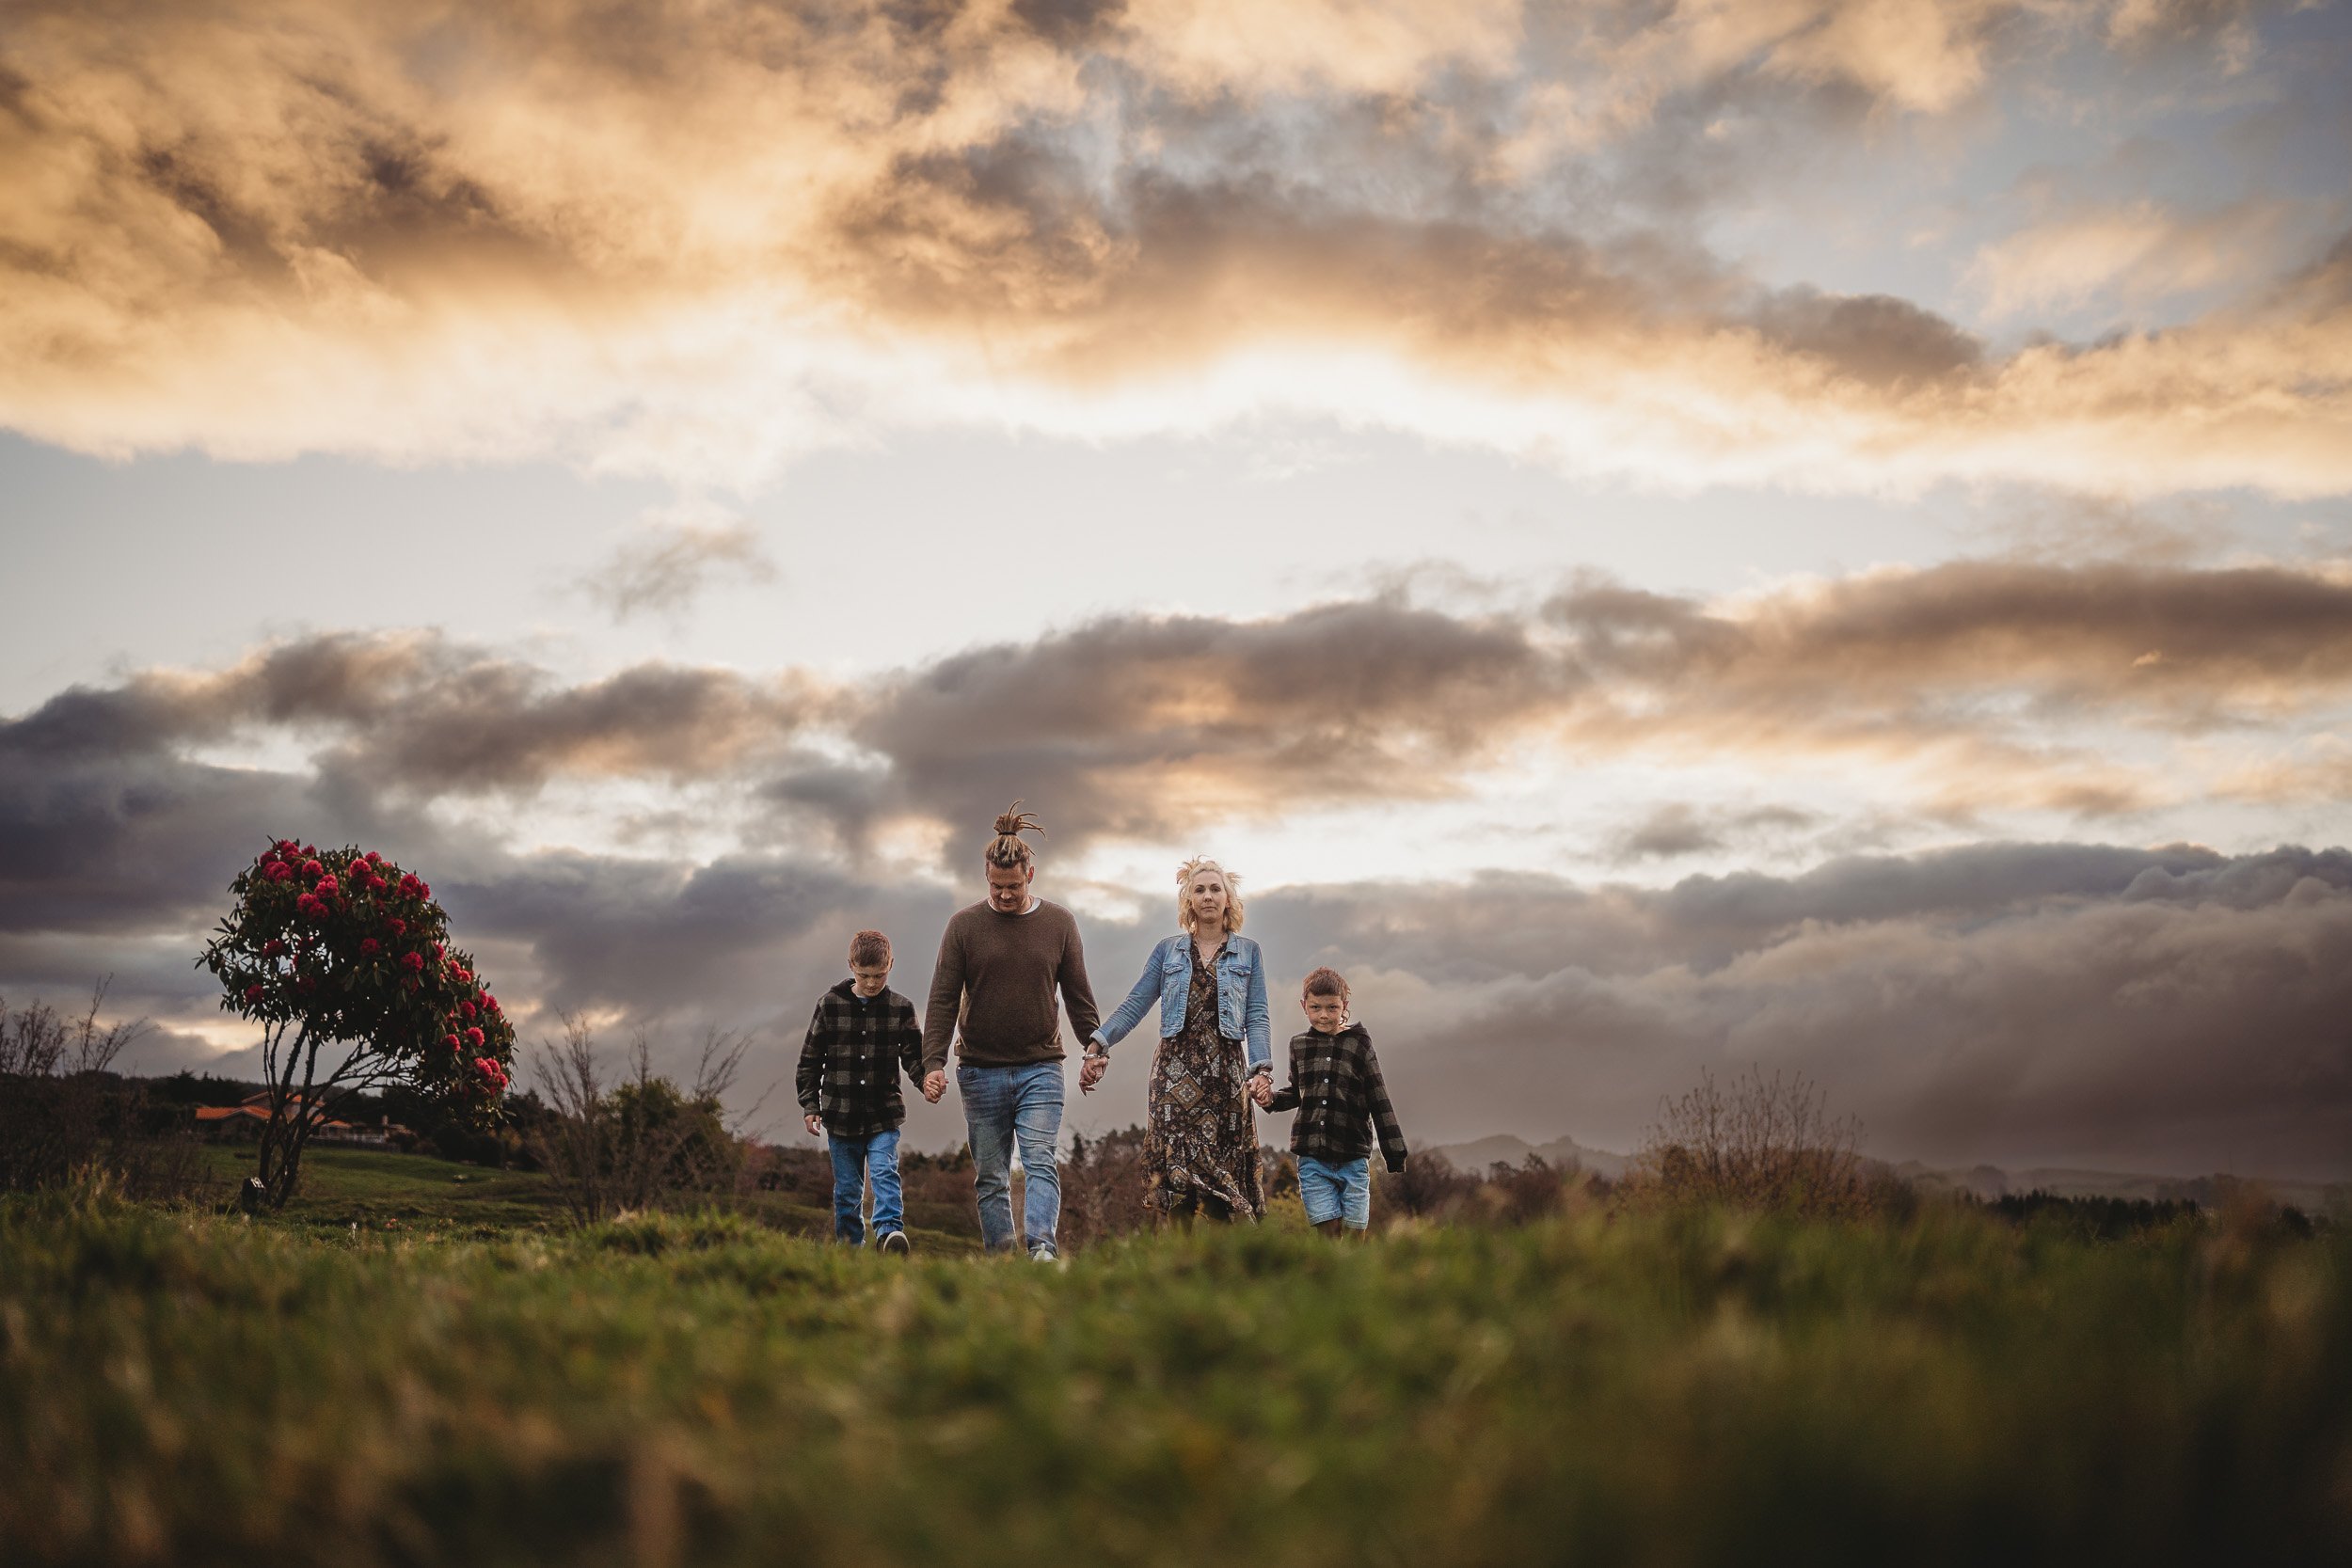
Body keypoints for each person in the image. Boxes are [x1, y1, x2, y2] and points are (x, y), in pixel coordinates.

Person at [921, 802, 1102, 1260]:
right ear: (986, 876)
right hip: (980, 1070)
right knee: (991, 1174)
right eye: (997, 887)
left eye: (1013, 886)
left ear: (1031, 875)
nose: (1004, 896)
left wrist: (1094, 1046)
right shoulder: (963, 927)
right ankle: (1002, 1259)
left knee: (1040, 1160)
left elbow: (1078, 993)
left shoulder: (1059, 923)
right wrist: (933, 1063)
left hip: (1041, 1065)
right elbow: (942, 998)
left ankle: (1041, 1249)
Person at [1084, 857, 1272, 1226]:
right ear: (1188, 901)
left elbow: (1257, 1015)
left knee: (1223, 1180)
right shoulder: (1167, 951)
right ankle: (1178, 1263)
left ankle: (1218, 1266)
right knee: (1178, 1182)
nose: (1207, 896)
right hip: (1174, 1075)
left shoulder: (1249, 953)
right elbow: (1136, 1003)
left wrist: (1261, 1069)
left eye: (1215, 889)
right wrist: (1099, 1042)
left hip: (1226, 1077)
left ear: (1228, 900)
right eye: (1199, 890)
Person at [1253, 966, 1406, 1239]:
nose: (1324, 1015)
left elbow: (1378, 1097)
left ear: (1344, 1005)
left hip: (1353, 1159)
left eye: (1332, 1008)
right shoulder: (1298, 1046)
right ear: (1304, 1006)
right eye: (1316, 1007)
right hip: (1312, 1158)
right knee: (1329, 1234)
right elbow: (1299, 1093)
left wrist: (1394, 1153)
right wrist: (1270, 1100)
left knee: (1353, 1237)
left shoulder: (1359, 1045)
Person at [798, 928, 926, 1254]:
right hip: (841, 1117)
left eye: (879, 975)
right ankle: (850, 1248)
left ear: (891, 965)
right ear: (851, 965)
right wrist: (810, 1104)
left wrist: (926, 1080)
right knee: (847, 1190)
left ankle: (888, 1235)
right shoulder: (829, 1006)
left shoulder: (901, 1008)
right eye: (864, 975)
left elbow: (914, 1057)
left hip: (883, 1113)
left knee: (884, 1171)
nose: (871, 983)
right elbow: (811, 1060)